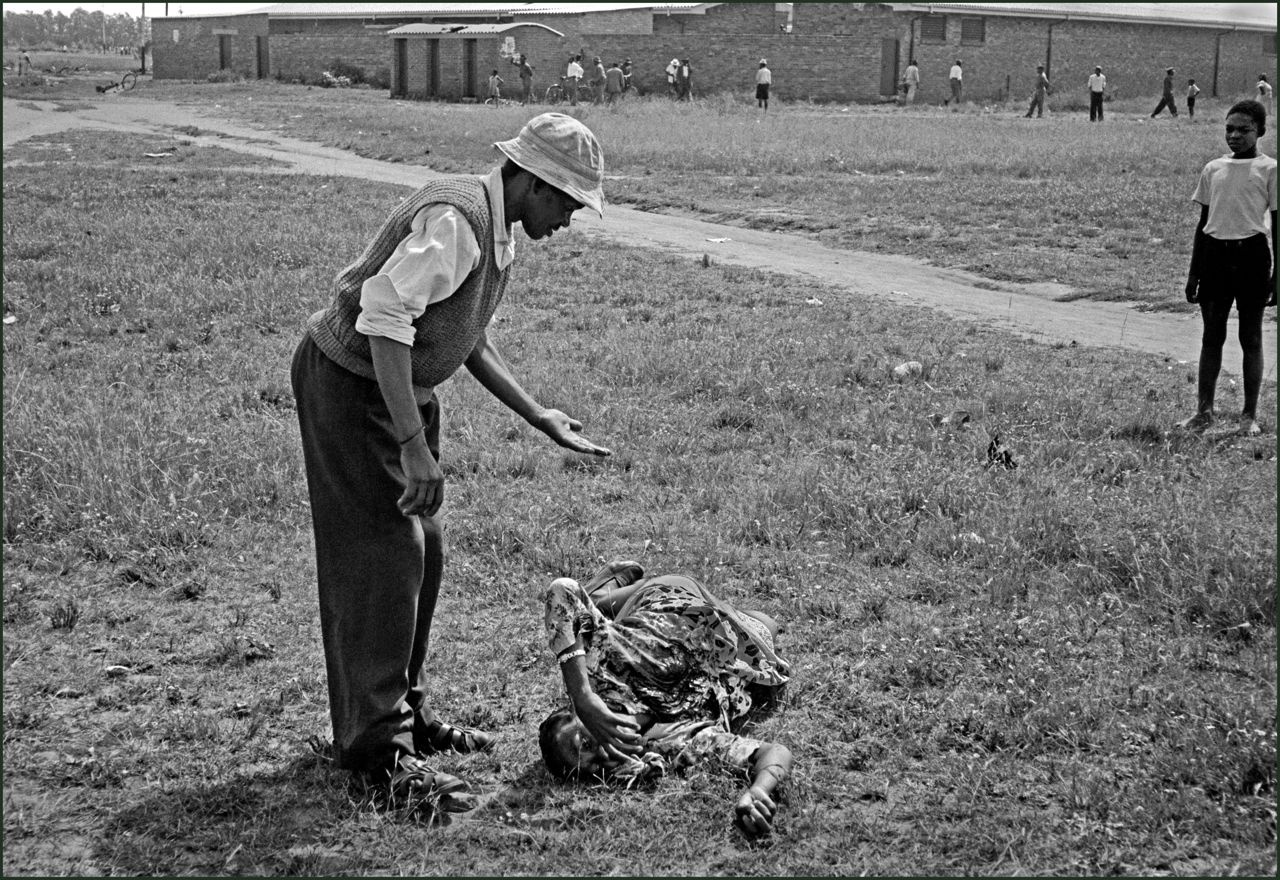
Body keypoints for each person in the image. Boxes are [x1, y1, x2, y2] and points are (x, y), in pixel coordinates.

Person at [290, 113, 610, 815]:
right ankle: (379, 754)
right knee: (385, 553)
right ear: (527, 181)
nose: (567, 219)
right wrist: (411, 445)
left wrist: (538, 415)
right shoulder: (457, 221)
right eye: (564, 201)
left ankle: (404, 712)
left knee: (423, 548)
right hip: (352, 382)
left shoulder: (495, 231)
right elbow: (381, 317)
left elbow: (466, 334)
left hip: (397, 387)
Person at [538, 561, 793, 838]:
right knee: (770, 623)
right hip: (746, 642)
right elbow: (773, 753)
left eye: (585, 742)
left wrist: (583, 696)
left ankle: (605, 589)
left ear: (577, 713)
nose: (603, 751)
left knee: (604, 603)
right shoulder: (677, 743)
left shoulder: (602, 672)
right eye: (596, 766)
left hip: (671, 595)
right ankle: (602, 597)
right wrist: (759, 789)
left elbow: (563, 591)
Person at [1180, 100, 1277, 437]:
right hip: (1215, 258)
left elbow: (1276, 226)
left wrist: (1276, 275)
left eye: (1244, 130)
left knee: (1250, 336)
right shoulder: (1213, 168)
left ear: (1260, 131)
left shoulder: (1270, 169)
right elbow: (1203, 224)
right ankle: (1203, 411)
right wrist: (1194, 272)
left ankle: (1249, 415)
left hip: (1251, 256)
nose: (1235, 135)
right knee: (1212, 336)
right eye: (1230, 129)